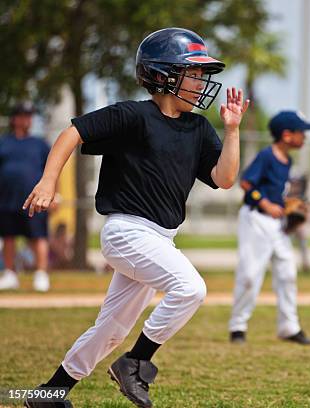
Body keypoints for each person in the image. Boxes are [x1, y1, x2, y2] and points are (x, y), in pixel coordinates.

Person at [22, 27, 249, 408]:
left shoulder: (197, 128)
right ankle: (137, 362)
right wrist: (48, 181)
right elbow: (72, 133)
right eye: (193, 74)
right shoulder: (134, 115)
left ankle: (50, 393)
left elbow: (224, 179)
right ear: (163, 76)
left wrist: (232, 132)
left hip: (160, 238)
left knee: (111, 329)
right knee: (191, 288)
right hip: (127, 231)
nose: (201, 82)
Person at [228, 111, 310, 346]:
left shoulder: (288, 161)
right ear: (287, 135)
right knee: (250, 274)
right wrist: (265, 202)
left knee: (287, 273)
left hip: (276, 225)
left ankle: (289, 327)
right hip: (256, 219)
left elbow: (279, 191)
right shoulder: (267, 156)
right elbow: (246, 183)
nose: (304, 138)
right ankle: (238, 327)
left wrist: (286, 206)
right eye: (301, 132)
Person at [0, 102, 52, 292]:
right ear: (14, 118)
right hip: (6, 199)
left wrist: (55, 195)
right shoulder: (4, 142)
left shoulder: (40, 144)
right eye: (23, 115)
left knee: (38, 236)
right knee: (8, 237)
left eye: (29, 116)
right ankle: (10, 274)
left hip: (34, 200)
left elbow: (51, 171)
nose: (26, 119)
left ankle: (41, 274)